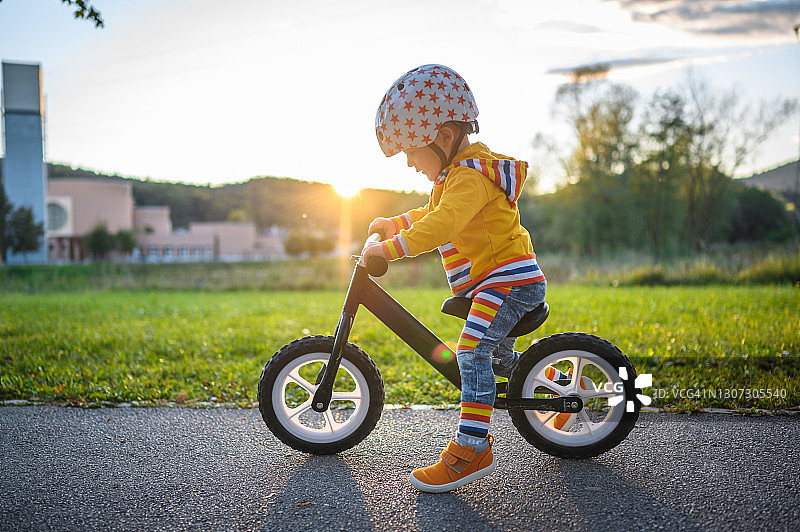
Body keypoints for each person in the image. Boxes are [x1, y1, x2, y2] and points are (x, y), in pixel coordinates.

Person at [361, 64, 547, 493]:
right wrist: (397, 223)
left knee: (471, 352)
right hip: (496, 283)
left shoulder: (471, 176)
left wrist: (391, 249)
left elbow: (442, 224)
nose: (409, 163)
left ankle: (471, 450)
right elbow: (433, 213)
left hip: (509, 283)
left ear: (443, 137)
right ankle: (550, 388)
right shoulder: (456, 175)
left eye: (411, 152)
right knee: (498, 359)